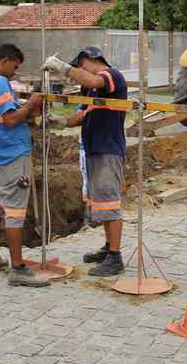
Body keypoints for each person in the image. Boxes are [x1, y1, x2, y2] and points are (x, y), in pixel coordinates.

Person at [43, 46, 127, 276]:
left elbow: (91, 80)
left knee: (110, 203)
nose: (79, 72)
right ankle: (109, 248)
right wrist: (58, 121)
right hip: (94, 150)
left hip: (108, 149)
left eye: (80, 66)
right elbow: (80, 115)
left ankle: (116, 257)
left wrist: (63, 68)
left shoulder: (111, 76)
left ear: (89, 59)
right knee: (101, 203)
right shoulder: (91, 93)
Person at [0, 44, 48, 287]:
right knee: (15, 212)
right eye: (14, 67)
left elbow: (4, 115)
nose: (14, 73)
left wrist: (27, 110)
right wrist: (32, 103)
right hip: (11, 156)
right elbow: (9, 120)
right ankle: (17, 268)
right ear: (5, 60)